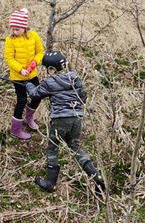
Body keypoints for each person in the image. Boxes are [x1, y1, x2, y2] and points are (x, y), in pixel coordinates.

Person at [26, 50, 105, 194]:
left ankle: (50, 183)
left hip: (60, 120)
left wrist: (28, 85)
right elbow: (83, 97)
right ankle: (97, 177)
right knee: (75, 147)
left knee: (52, 148)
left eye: (46, 68)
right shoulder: (75, 78)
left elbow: (34, 94)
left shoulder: (50, 82)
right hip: (77, 118)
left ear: (52, 69)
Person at [3, 8, 44, 140]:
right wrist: (20, 69)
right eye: (12, 29)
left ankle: (29, 116)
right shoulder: (10, 40)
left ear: (24, 27)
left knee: (37, 96)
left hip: (32, 75)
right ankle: (16, 129)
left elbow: (40, 52)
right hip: (18, 77)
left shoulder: (34, 36)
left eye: (17, 29)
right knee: (21, 100)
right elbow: (9, 59)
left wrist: (34, 63)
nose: (14, 32)